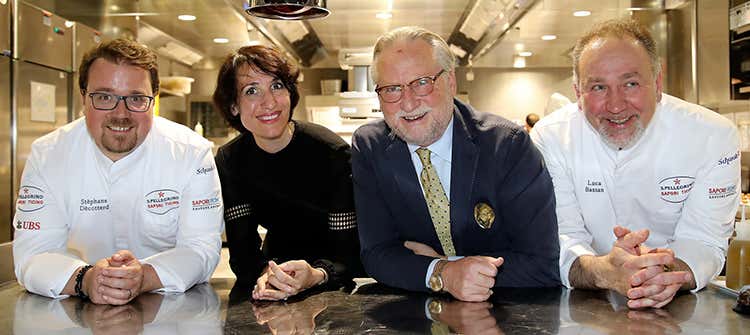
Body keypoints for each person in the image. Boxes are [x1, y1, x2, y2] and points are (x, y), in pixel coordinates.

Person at [530, 18, 739, 309]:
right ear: (578, 93)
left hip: (677, 309)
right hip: (583, 309)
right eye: (599, 87)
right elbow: (561, 236)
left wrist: (661, 273)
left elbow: (704, 240)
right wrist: (605, 271)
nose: (616, 106)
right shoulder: (551, 137)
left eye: (630, 83)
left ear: (657, 83)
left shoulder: (713, 136)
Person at [352, 26, 560, 303]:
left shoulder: (506, 145)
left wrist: (445, 267)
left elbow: (543, 263)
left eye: (422, 82)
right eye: (392, 89)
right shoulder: (370, 147)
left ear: (450, 82)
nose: (409, 102)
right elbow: (376, 255)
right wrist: (445, 273)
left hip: (509, 312)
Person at [12, 38, 223, 305]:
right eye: (104, 97)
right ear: (83, 98)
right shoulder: (48, 155)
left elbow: (201, 248)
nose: (120, 113)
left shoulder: (191, 153)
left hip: (170, 314)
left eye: (136, 98)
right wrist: (87, 280)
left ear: (153, 100)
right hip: (72, 311)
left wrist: (144, 277)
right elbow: (32, 254)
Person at [213, 45, 363, 301]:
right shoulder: (231, 160)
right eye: (252, 91)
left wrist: (316, 274)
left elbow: (348, 253)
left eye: (277, 86)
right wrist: (264, 274)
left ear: (291, 93)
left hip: (334, 280)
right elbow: (242, 249)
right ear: (234, 106)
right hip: (275, 274)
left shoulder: (332, 153)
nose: (269, 101)